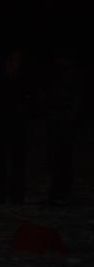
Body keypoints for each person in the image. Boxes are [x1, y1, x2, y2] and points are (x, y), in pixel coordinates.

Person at [0, 48, 36, 204]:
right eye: (13, 59)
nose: (15, 63)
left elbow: (30, 101)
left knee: (18, 160)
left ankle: (16, 194)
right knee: (0, 159)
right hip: (2, 123)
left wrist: (25, 110)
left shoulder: (23, 79)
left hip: (18, 124)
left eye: (18, 60)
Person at [42, 51, 84, 206]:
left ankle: (60, 191)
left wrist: (68, 118)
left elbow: (72, 100)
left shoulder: (69, 76)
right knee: (58, 157)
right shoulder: (60, 75)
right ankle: (60, 190)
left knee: (60, 157)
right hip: (58, 121)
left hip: (63, 123)